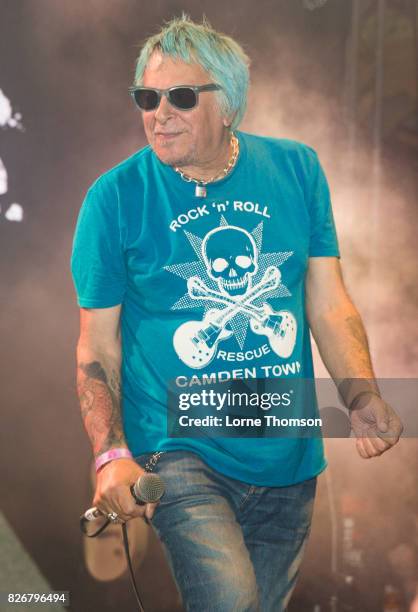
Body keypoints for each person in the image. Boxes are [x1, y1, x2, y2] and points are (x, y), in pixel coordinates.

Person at [71, 15, 403, 612]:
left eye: (180, 96)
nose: (159, 112)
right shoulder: (114, 198)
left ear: (229, 103)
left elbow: (327, 303)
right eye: (148, 97)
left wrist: (360, 395)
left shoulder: (297, 170)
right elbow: (97, 346)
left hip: (287, 452)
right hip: (177, 451)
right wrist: (110, 454)